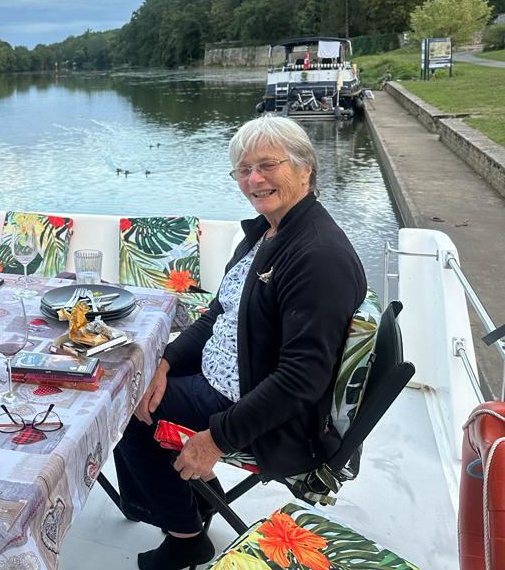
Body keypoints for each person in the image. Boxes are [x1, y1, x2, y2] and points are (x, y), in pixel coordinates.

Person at [113, 115, 365, 570]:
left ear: (305, 168)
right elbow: (217, 316)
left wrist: (217, 438)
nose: (254, 179)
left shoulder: (317, 256)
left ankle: (185, 535)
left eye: (268, 165)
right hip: (229, 378)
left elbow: (301, 379)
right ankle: (195, 500)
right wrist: (167, 361)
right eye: (244, 170)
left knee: (123, 407)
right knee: (140, 375)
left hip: (269, 416)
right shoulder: (267, 233)